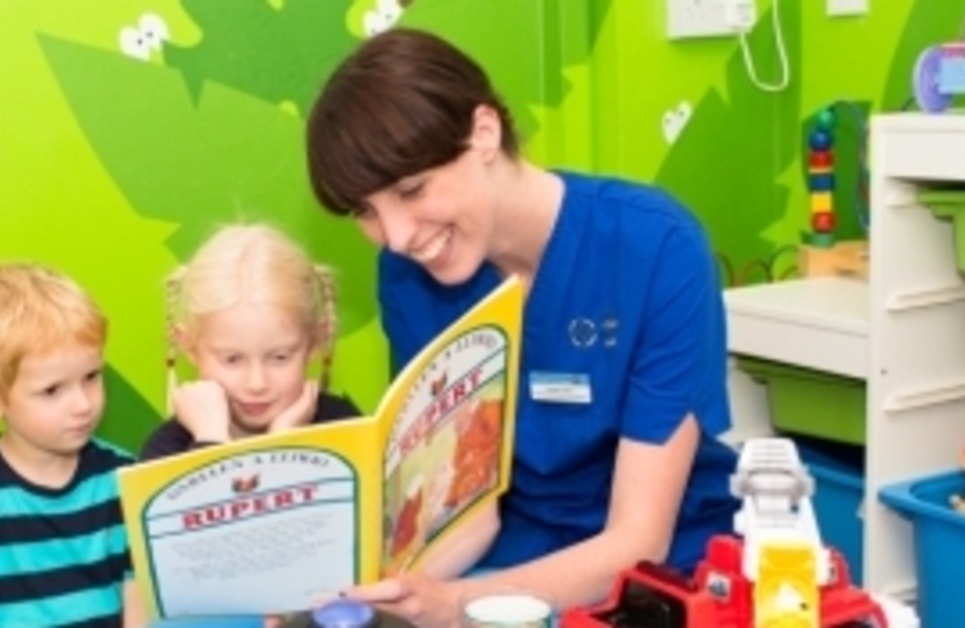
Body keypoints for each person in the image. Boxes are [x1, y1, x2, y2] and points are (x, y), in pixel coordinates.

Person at [304, 27, 741, 626]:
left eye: (412, 189)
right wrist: (377, 590)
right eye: (367, 213)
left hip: (660, 577)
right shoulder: (407, 278)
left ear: (484, 133)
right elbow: (461, 504)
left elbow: (639, 540)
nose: (399, 237)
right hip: (504, 563)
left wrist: (460, 605)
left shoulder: (657, 249)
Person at [0, 261, 144, 628]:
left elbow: (140, 597)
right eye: (52, 390)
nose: (84, 404)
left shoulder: (126, 478)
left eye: (91, 377)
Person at [139, 222, 361, 461]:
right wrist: (211, 439)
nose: (257, 384)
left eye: (280, 357)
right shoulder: (166, 452)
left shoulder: (345, 429)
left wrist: (283, 443)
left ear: (315, 342)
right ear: (189, 347)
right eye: (232, 359)